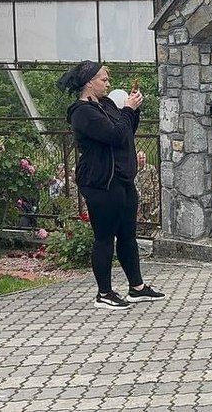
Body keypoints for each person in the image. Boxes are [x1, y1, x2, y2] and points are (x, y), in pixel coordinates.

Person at [57, 61, 164, 309]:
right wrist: (127, 110)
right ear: (88, 83)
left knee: (127, 235)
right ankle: (104, 293)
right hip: (101, 182)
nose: (108, 84)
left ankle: (136, 288)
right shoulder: (82, 112)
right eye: (104, 80)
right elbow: (113, 136)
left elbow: (125, 131)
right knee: (105, 237)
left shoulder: (105, 104)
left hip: (122, 179)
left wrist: (133, 110)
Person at [134, 151, 158, 223]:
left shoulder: (151, 168)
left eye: (143, 158)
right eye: (140, 158)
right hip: (138, 197)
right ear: (137, 159)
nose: (142, 160)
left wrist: (156, 195)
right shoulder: (134, 168)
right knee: (138, 217)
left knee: (149, 217)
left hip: (149, 197)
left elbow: (156, 182)